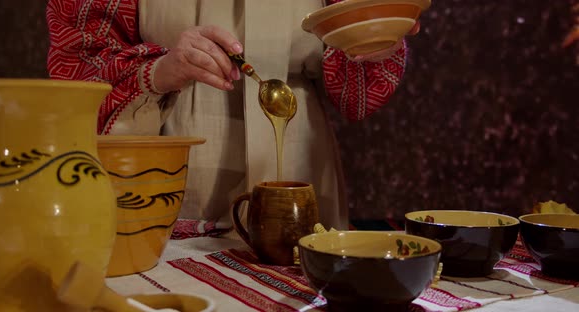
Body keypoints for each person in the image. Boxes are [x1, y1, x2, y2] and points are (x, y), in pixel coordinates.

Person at [46, 0, 421, 232]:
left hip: (301, 161)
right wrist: (162, 70)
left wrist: (373, 37)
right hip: (168, 170)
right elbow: (79, 62)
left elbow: (359, 81)